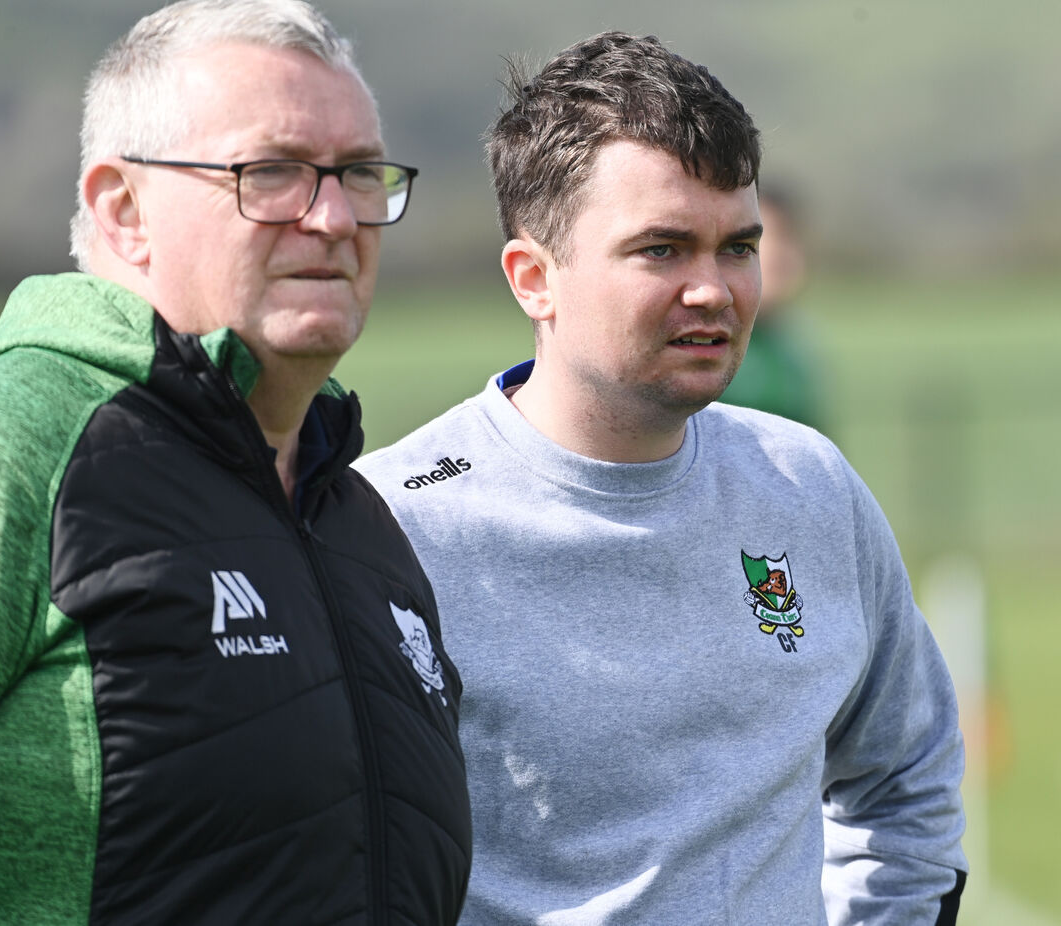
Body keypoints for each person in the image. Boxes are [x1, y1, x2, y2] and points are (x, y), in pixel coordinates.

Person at [355, 31, 966, 925]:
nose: (714, 289)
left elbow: (908, 777)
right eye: (662, 249)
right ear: (534, 278)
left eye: (737, 247)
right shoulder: (395, 529)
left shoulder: (811, 487)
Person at [0, 1, 470, 922]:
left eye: (358, 174)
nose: (333, 218)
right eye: (274, 172)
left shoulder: (359, 522)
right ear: (124, 210)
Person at [718, 185, 826, 430]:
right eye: (767, 238)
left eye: (789, 237)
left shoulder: (794, 347)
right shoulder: (707, 344)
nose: (783, 254)